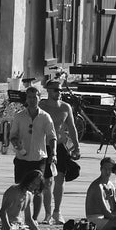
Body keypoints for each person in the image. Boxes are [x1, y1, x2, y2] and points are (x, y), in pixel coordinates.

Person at [10, 83, 56, 222]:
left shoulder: (45, 117)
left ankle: (34, 218)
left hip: (38, 158)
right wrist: (15, 142)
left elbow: (52, 136)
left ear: (39, 98)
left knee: (37, 190)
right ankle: (17, 216)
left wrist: (53, 153)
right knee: (20, 189)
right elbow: (13, 135)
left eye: (34, 97)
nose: (31, 100)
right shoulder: (19, 116)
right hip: (22, 158)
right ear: (26, 99)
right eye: (29, 97)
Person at [42, 81, 81, 222]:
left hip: (60, 145)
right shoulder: (42, 106)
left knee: (60, 179)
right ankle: (47, 213)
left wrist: (76, 146)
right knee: (47, 181)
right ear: (48, 91)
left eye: (59, 90)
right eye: (55, 90)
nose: (58, 93)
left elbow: (71, 127)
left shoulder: (65, 107)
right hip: (45, 146)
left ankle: (57, 211)